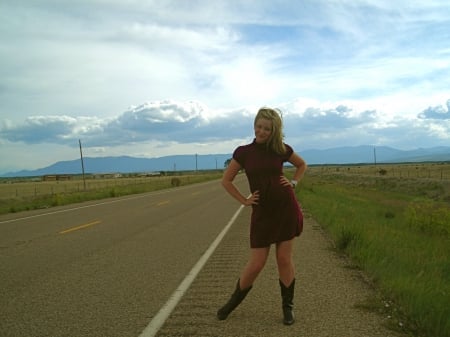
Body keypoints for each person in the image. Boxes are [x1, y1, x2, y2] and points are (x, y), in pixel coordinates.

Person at [217, 107, 307, 325]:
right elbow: (226, 180)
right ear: (254, 126)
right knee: (256, 263)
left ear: (273, 130)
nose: (262, 131)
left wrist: (293, 182)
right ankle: (232, 303)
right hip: (262, 213)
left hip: (285, 209)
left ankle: (288, 308)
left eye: (267, 128)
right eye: (259, 126)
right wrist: (244, 200)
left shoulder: (281, 149)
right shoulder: (243, 152)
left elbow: (301, 164)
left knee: (284, 260)